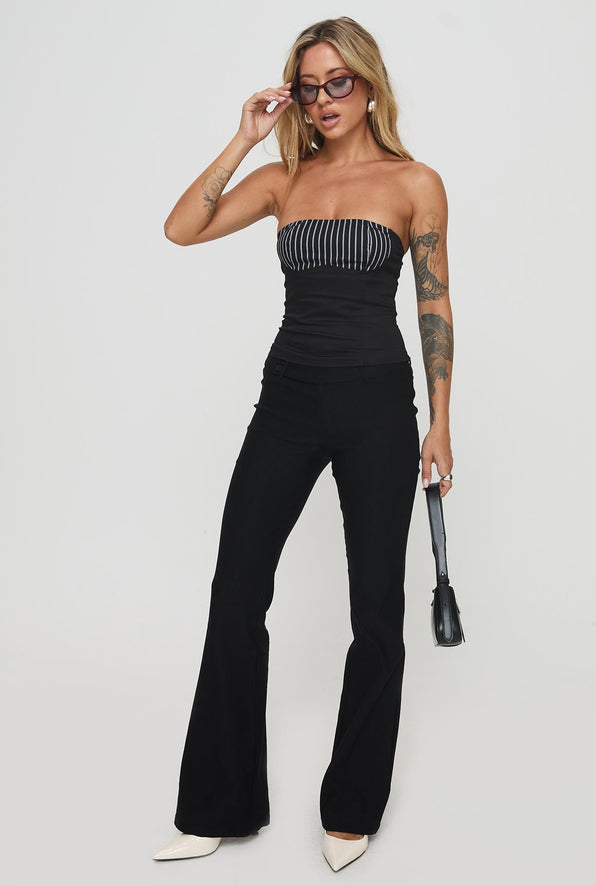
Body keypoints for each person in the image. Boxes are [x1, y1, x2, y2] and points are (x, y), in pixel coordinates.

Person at [153, 15, 453, 872]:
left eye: (338, 82)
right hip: (287, 398)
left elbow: (433, 302)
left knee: (375, 609)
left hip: (376, 404)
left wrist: (439, 419)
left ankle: (353, 805)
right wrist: (243, 137)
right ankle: (217, 803)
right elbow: (180, 229)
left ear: (369, 84)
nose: (323, 99)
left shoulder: (414, 182)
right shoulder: (283, 179)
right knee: (236, 592)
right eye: (309, 85)